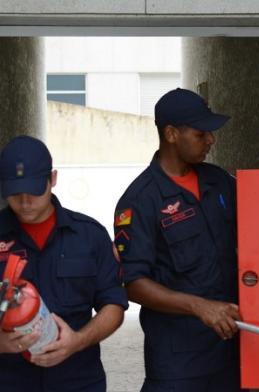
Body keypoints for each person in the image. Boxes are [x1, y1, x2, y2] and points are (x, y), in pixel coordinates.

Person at [114, 88, 243, 392]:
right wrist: (201, 307)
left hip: (232, 348)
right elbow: (133, 284)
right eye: (201, 133)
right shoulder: (140, 201)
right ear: (171, 133)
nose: (210, 140)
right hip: (179, 362)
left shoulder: (218, 181)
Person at [0, 135, 128, 391]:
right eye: (15, 193)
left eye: (34, 190)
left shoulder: (89, 236)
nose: (24, 202)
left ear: (53, 179)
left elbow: (113, 305)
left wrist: (77, 341)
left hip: (78, 380)